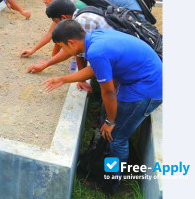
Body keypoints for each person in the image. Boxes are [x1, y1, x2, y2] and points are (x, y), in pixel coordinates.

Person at [43, 20, 162, 194]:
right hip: (144, 79)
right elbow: (97, 70)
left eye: (62, 48)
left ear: (71, 42)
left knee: (117, 138)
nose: (64, 52)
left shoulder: (96, 52)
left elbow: (109, 93)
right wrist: (63, 79)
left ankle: (112, 184)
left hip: (147, 89)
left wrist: (110, 121)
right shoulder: (95, 38)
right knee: (116, 129)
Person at [26, 0, 112, 92]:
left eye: (56, 21)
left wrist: (81, 80)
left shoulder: (82, 22)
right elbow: (73, 51)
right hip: (112, 50)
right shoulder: (80, 14)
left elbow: (77, 52)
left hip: (116, 59)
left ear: (63, 17)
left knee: (111, 92)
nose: (56, 24)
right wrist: (46, 64)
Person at [19, 0, 86, 60]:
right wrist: (32, 50)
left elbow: (61, 33)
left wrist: (53, 58)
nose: (43, 1)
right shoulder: (63, 4)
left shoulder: (66, 8)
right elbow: (51, 33)